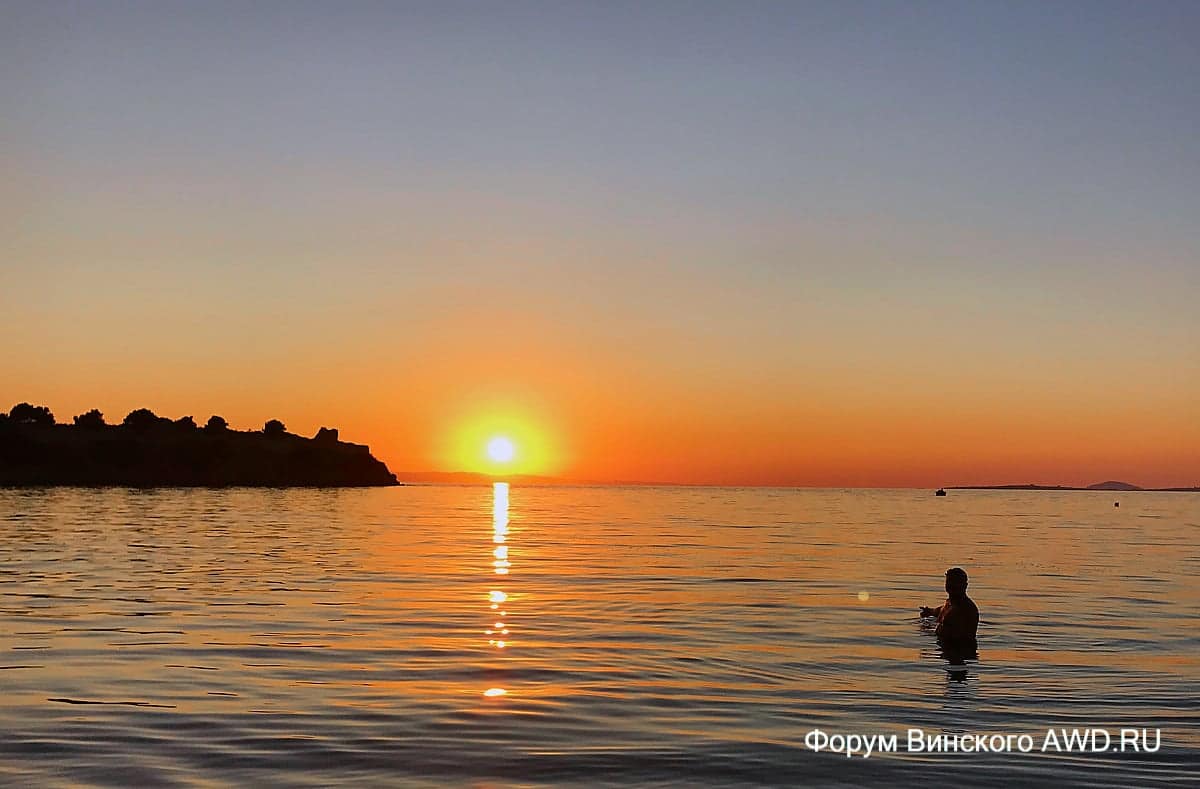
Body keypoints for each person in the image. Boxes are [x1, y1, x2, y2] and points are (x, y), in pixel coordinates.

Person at [919, 567, 979, 643]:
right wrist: (929, 611)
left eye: (956, 582)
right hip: (943, 648)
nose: (952, 585)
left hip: (957, 651)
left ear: (965, 585)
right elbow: (940, 610)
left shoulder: (966, 609)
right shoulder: (949, 603)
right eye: (949, 581)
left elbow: (959, 638)